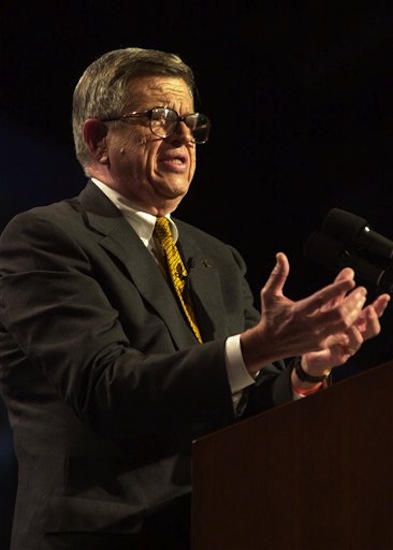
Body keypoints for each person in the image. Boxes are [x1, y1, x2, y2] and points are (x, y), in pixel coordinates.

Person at [0, 47, 390, 550]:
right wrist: (257, 348)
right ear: (98, 138)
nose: (184, 136)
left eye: (191, 122)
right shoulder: (44, 237)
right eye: (160, 117)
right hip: (107, 533)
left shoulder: (217, 258)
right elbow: (108, 389)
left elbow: (248, 409)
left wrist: (306, 372)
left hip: (223, 522)